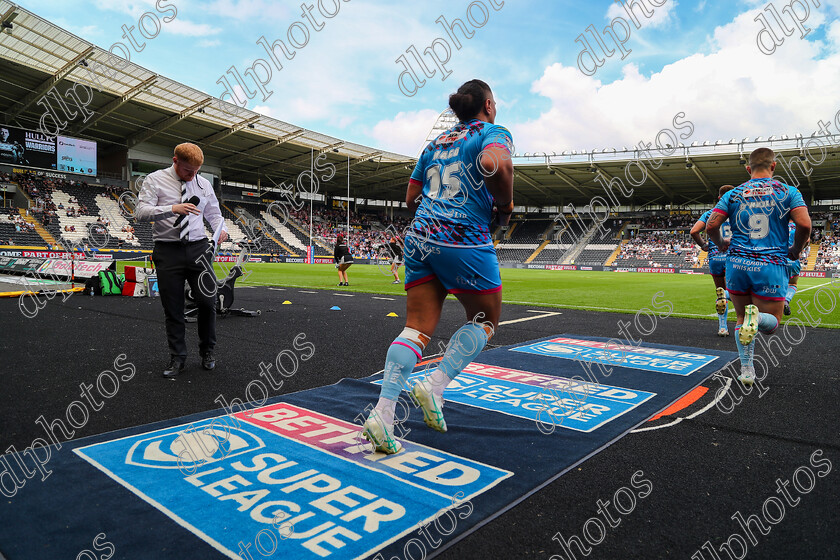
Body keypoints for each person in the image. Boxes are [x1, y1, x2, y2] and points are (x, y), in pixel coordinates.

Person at [362, 79, 514, 454]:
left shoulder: (435, 144)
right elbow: (496, 164)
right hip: (463, 238)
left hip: (420, 237)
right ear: (489, 105)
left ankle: (383, 414)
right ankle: (436, 385)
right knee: (486, 321)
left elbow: (412, 196)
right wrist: (505, 206)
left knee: (415, 328)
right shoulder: (493, 131)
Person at [707, 148, 810, 386]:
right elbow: (804, 224)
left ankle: (746, 370)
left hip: (737, 265)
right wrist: (795, 250)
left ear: (747, 168)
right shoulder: (788, 192)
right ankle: (758, 319)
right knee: (771, 323)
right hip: (771, 265)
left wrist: (722, 243)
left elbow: (711, 227)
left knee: (741, 317)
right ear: (773, 166)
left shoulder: (732, 194)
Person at [135, 143, 228, 378]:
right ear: (175, 160)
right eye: (188, 171)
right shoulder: (155, 180)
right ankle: (178, 357)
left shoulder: (204, 184)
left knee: (208, 302)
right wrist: (172, 208)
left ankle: (208, 351)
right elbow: (140, 212)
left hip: (199, 248)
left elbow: (215, 215)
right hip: (168, 250)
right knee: (173, 307)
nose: (192, 176)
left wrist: (221, 229)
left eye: (197, 171)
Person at [690, 185, 735, 336]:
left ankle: (723, 327)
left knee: (720, 293)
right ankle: (743, 325)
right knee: (740, 292)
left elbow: (694, 231)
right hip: (733, 256)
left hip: (715, 257)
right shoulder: (737, 211)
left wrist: (703, 245)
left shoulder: (710, 213)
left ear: (719, 198)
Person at [784, 220, 799, 315]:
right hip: (792, 257)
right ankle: (786, 301)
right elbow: (807, 240)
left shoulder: (779, 222)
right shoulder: (798, 225)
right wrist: (799, 250)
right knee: (793, 284)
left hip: (778, 257)